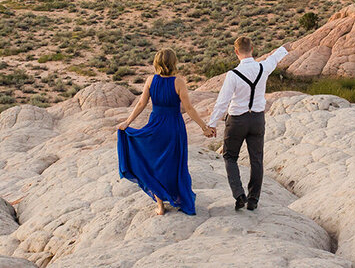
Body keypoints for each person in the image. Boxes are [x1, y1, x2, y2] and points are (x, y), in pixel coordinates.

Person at [117, 48, 215, 216]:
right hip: (173, 127)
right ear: (173, 62)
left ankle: (160, 205)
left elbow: (141, 104)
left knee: (154, 165)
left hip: (155, 126)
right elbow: (189, 109)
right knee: (176, 164)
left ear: (157, 63)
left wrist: (127, 122)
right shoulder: (179, 82)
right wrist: (204, 127)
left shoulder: (150, 80)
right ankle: (181, 199)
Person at [207, 37, 290, 211]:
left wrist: (212, 123)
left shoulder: (233, 75)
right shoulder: (263, 67)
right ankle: (253, 200)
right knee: (256, 160)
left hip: (237, 120)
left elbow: (223, 102)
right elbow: (273, 59)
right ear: (252, 48)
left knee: (230, 157)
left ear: (236, 52)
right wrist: (284, 48)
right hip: (257, 119)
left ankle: (239, 194)